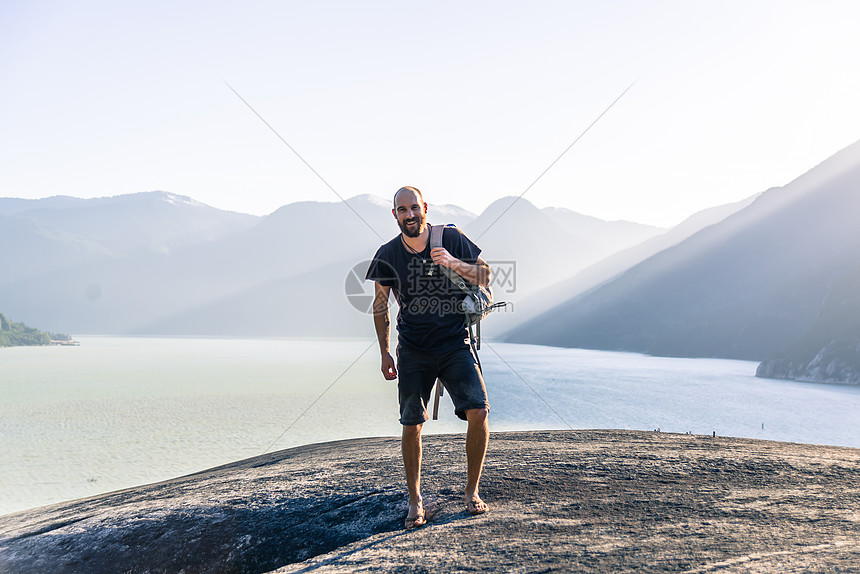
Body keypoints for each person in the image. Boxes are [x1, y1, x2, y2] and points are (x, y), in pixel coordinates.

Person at [365, 186, 492, 529]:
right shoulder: (387, 254)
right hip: (414, 350)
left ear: (424, 208)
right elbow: (380, 306)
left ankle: (471, 492)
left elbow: (486, 274)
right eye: (401, 210)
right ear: (395, 215)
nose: (409, 215)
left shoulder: (449, 237)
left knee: (478, 411)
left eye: (413, 208)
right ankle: (415, 500)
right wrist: (384, 352)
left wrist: (452, 262)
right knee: (411, 423)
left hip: (454, 343)